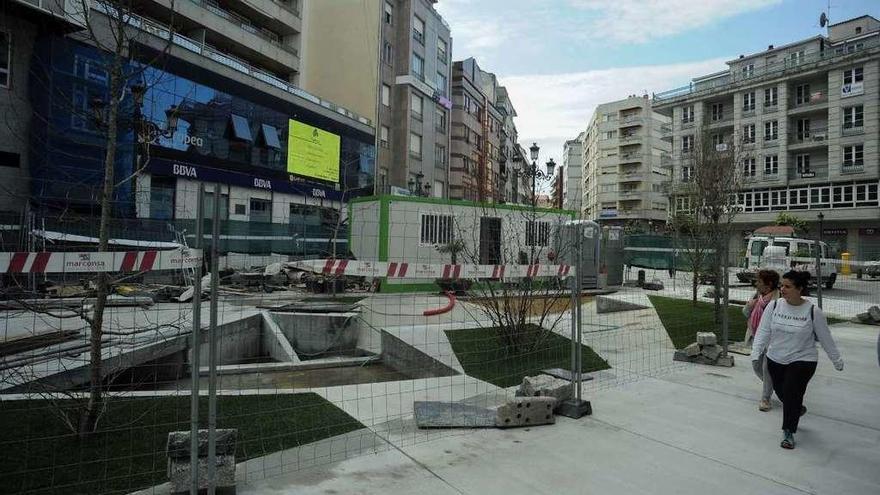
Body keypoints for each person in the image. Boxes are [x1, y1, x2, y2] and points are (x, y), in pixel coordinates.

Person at [750, 270, 844, 449]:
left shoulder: (812, 311)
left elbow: (825, 338)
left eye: (787, 286)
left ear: (799, 289)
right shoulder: (774, 306)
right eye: (782, 286)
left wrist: (836, 359)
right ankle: (795, 407)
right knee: (782, 392)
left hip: (803, 359)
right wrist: (756, 353)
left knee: (792, 391)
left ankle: (788, 432)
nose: (782, 289)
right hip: (775, 358)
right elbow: (763, 331)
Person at [743, 269, 780, 411]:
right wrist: (749, 305)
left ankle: (766, 398)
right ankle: (778, 386)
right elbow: (745, 313)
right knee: (756, 366)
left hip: (771, 340)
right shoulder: (757, 295)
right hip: (756, 336)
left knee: (766, 368)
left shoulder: (778, 299)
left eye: (759, 281)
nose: (756, 283)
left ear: (768, 284)